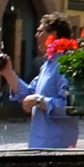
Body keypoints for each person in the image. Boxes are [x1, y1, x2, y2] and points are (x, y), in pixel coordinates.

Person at [24, 18, 80, 151]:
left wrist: (40, 100)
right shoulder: (48, 65)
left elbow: (70, 106)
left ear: (52, 35)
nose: (36, 35)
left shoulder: (64, 64)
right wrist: (7, 72)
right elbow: (28, 94)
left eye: (40, 31)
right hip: (40, 142)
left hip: (57, 143)